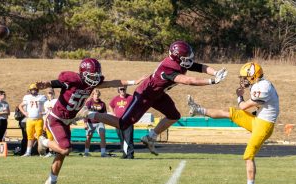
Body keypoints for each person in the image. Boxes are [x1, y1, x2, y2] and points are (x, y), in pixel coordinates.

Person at [75, 40, 228, 155]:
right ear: (177, 57)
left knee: (174, 115)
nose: (189, 60)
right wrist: (212, 81)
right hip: (144, 95)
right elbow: (189, 81)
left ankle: (150, 137)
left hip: (158, 94)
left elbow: (200, 67)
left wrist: (216, 73)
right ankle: (89, 113)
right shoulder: (169, 68)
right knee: (122, 124)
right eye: (185, 57)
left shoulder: (180, 61)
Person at [35, 57, 143, 184]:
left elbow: (112, 83)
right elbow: (58, 83)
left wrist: (134, 81)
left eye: (96, 75)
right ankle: (43, 141)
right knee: (65, 149)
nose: (95, 78)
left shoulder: (91, 83)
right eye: (92, 75)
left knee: (63, 152)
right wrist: (46, 84)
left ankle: (51, 181)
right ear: (83, 73)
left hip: (70, 118)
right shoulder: (72, 79)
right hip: (56, 119)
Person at [187, 62, 279, 184]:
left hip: (263, 126)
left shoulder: (262, 87)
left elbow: (243, 106)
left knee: (248, 156)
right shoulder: (261, 84)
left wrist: (239, 96)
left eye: (245, 77)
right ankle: (198, 110)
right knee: (229, 112)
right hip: (258, 120)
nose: (243, 80)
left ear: (253, 76)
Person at [18, 84, 47, 157]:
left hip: (39, 120)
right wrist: (24, 113)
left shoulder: (42, 97)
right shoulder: (27, 97)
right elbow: (20, 106)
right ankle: (28, 152)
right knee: (30, 137)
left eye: (35, 89)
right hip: (30, 120)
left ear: (37, 90)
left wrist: (43, 112)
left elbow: (47, 106)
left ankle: (41, 152)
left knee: (40, 137)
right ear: (30, 90)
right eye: (32, 89)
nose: (33, 91)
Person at [109, 86, 134, 159]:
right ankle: (124, 154)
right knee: (122, 138)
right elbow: (110, 106)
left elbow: (137, 104)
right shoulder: (115, 99)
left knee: (129, 138)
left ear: (126, 89)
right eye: (121, 89)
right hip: (118, 121)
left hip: (128, 121)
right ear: (118, 90)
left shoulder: (130, 97)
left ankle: (130, 155)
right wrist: (113, 114)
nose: (123, 91)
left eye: (124, 89)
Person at [83, 89, 110, 157]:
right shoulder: (89, 103)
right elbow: (85, 113)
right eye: (95, 94)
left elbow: (105, 114)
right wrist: (85, 123)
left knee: (102, 136)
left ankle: (103, 153)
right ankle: (86, 153)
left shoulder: (102, 104)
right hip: (90, 122)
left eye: (98, 95)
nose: (96, 96)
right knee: (88, 137)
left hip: (99, 122)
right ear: (93, 95)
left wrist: (105, 121)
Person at [43, 88, 57, 158]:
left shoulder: (56, 101)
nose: (50, 94)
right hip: (48, 121)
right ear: (47, 94)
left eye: (51, 93)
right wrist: (44, 123)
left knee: (55, 137)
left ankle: (56, 151)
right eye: (49, 93)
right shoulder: (46, 103)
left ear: (54, 93)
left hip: (55, 121)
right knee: (50, 138)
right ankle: (51, 152)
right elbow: (46, 113)